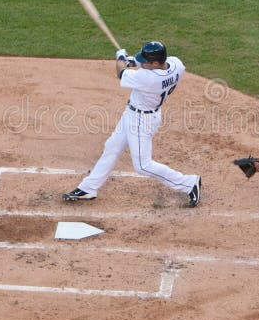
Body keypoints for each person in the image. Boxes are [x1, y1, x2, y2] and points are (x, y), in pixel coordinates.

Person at [63, 41, 202, 207]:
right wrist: (133, 61)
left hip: (141, 121)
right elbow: (149, 64)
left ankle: (188, 183)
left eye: (145, 61)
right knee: (112, 147)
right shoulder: (176, 64)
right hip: (137, 114)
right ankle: (89, 187)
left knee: (143, 166)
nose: (142, 63)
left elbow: (121, 73)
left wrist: (121, 58)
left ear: (155, 63)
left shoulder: (147, 78)